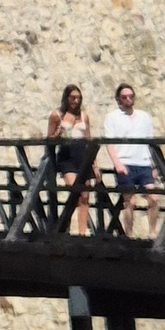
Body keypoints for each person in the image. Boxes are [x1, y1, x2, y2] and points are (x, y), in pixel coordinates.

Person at [102, 81, 160, 237]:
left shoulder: (144, 116)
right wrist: (117, 163)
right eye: (124, 97)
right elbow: (110, 143)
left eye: (130, 96)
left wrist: (154, 166)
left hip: (144, 163)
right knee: (130, 202)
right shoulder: (112, 117)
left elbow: (150, 142)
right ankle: (129, 234)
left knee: (153, 198)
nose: (128, 99)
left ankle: (152, 233)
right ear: (118, 99)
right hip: (125, 163)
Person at [48, 83, 94, 231]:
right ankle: (64, 227)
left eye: (78, 98)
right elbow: (49, 139)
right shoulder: (57, 115)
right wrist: (61, 130)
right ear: (66, 98)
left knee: (85, 197)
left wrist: (95, 163)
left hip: (82, 155)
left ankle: (82, 232)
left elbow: (89, 140)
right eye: (73, 98)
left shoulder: (84, 116)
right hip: (67, 155)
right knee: (74, 192)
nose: (75, 101)